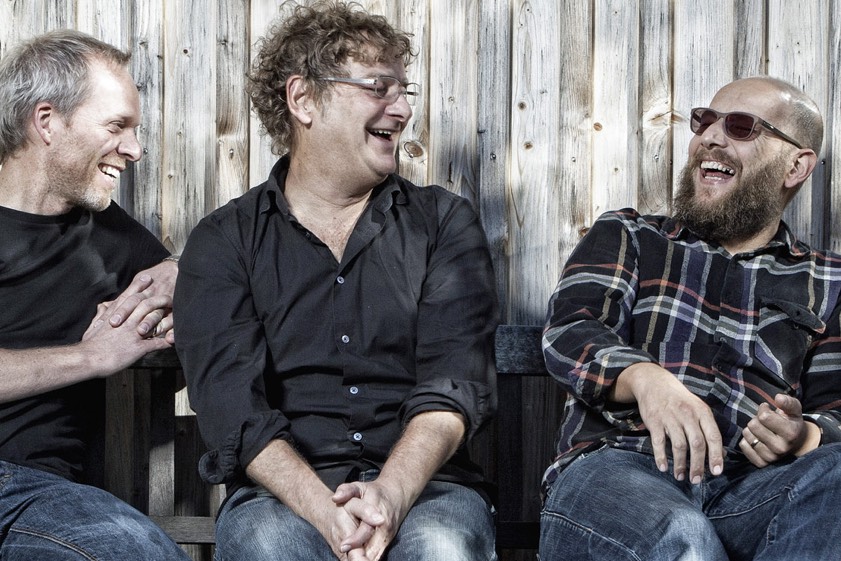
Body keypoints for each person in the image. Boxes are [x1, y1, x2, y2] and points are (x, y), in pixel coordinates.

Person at [173, 2, 499, 561]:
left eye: (404, 90)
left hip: (427, 490)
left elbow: (454, 385)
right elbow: (233, 408)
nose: (402, 109)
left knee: (441, 547)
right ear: (303, 99)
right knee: (270, 547)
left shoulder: (444, 224)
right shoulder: (225, 240)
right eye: (378, 87)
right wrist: (327, 514)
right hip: (280, 497)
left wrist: (389, 494)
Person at [540, 76, 841, 561]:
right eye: (704, 121)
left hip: (752, 490)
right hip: (621, 469)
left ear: (796, 166)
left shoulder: (829, 280)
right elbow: (572, 330)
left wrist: (804, 435)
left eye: (741, 126)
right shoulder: (631, 235)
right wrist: (645, 380)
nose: (711, 137)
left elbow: (837, 409)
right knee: (683, 538)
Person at [0, 30, 190, 560]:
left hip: (38, 498)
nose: (134, 149)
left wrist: (181, 271)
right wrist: (92, 357)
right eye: (116, 126)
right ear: (47, 121)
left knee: (142, 553)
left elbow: (217, 290)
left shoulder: (111, 237)